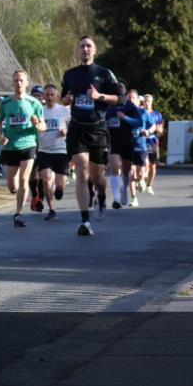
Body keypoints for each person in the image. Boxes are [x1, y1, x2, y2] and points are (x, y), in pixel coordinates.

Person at [61, 35, 123, 236]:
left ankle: (102, 194)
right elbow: (64, 97)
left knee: (98, 177)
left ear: (94, 51)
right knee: (81, 169)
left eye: (89, 46)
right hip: (77, 128)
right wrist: (66, 99)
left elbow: (120, 98)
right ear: (78, 51)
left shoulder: (104, 74)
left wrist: (99, 97)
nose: (85, 49)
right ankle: (85, 221)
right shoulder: (70, 74)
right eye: (82, 46)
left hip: (98, 129)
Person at [0, 70, 45, 228]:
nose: (18, 83)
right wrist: (0, 135)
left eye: (21, 80)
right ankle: (17, 193)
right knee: (12, 187)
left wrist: (37, 124)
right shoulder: (5, 103)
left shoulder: (34, 103)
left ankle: (18, 213)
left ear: (26, 83)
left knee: (24, 179)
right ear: (12, 82)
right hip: (10, 146)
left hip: (28, 144)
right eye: (16, 80)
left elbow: (43, 126)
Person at [37, 84, 71, 221]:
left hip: (61, 150)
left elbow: (72, 127)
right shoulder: (39, 111)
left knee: (60, 184)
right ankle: (51, 209)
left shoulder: (64, 110)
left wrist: (66, 131)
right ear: (43, 97)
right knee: (46, 181)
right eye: (47, 95)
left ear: (57, 96)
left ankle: (60, 189)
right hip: (44, 150)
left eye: (52, 95)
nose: (50, 97)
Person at [105, 82, 134, 210]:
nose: (119, 93)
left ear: (125, 93)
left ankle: (123, 190)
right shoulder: (107, 108)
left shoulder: (130, 107)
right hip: (113, 142)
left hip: (127, 142)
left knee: (126, 171)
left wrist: (126, 118)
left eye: (122, 91)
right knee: (115, 168)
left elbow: (139, 122)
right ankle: (116, 198)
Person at [28, 84, 46, 212]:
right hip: (31, 143)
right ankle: (35, 195)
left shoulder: (46, 109)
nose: (37, 98)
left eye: (39, 95)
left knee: (43, 174)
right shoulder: (27, 108)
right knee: (33, 174)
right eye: (35, 96)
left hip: (45, 144)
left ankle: (40, 198)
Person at [142, 94, 163, 195]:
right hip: (142, 141)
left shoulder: (157, 114)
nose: (146, 102)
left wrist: (159, 129)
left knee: (152, 165)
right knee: (144, 162)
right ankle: (142, 178)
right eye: (145, 101)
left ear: (151, 102)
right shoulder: (140, 112)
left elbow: (160, 128)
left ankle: (149, 186)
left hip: (153, 141)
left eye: (148, 101)